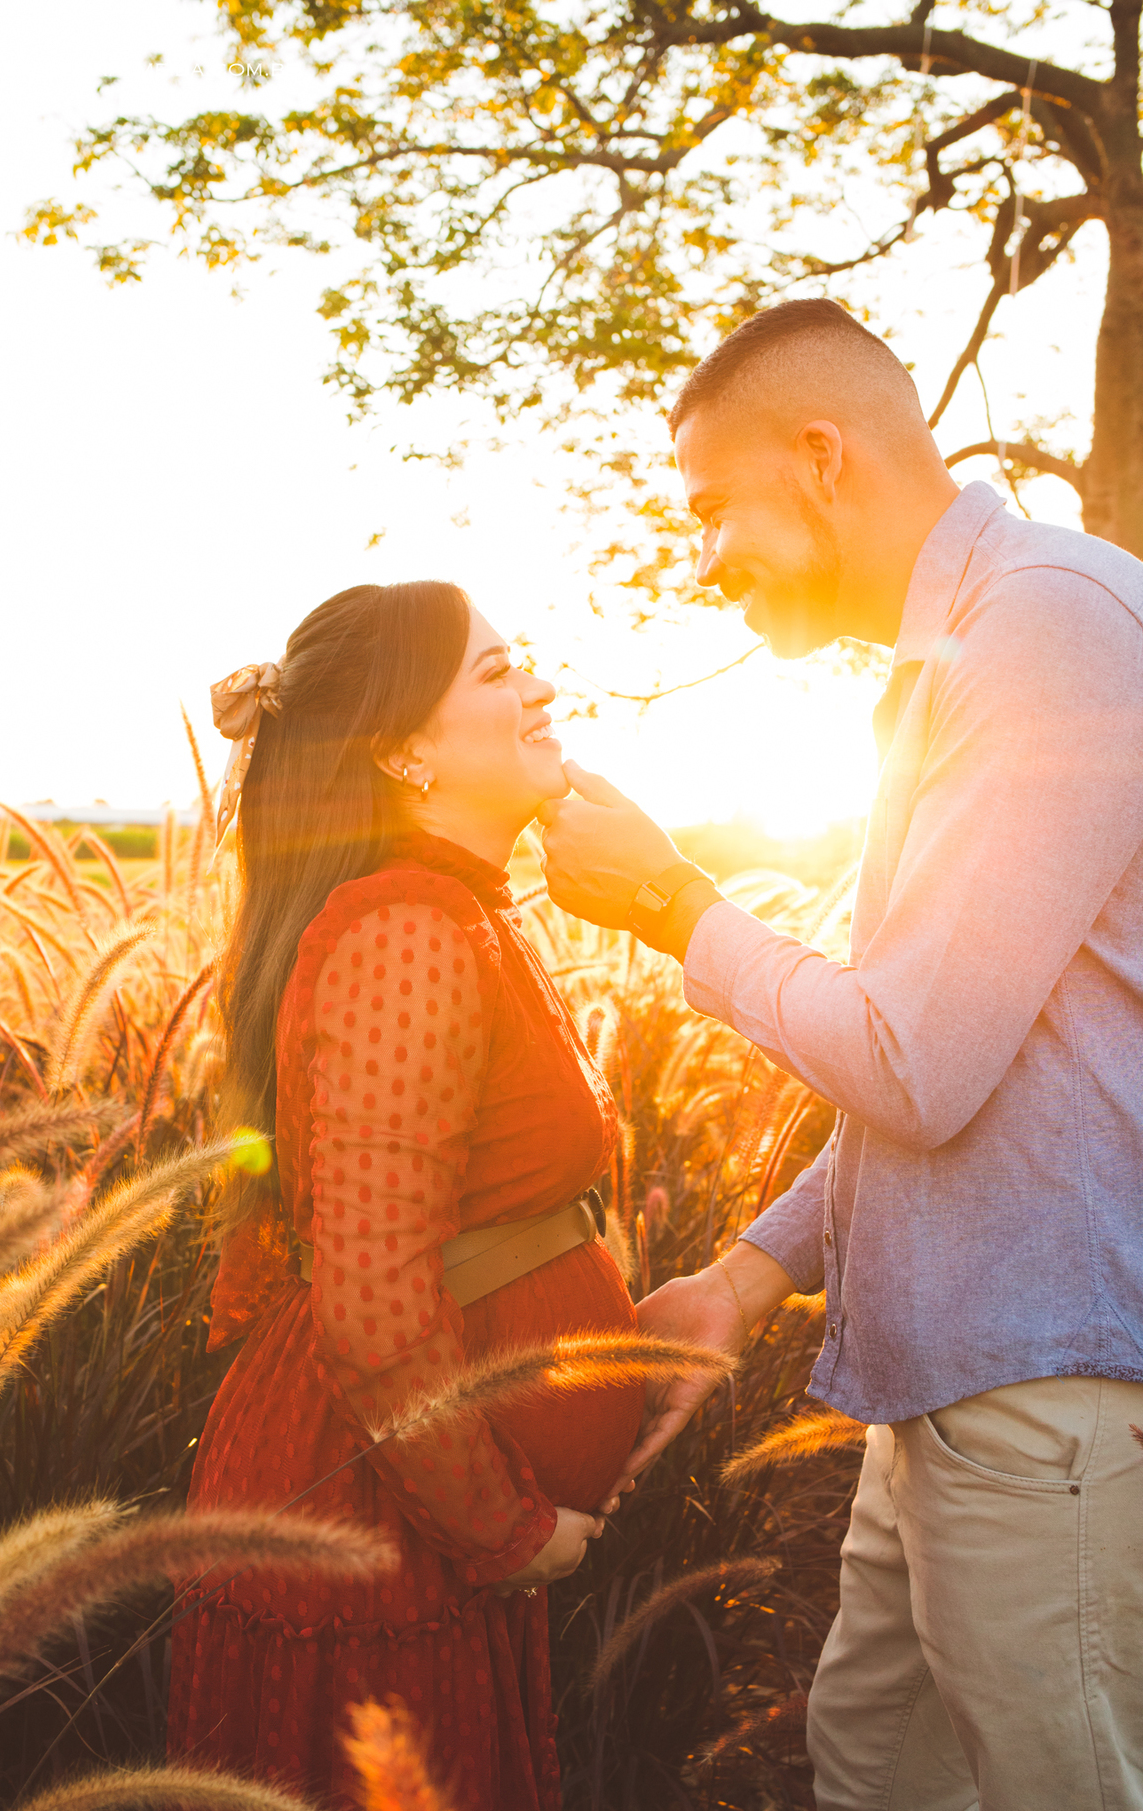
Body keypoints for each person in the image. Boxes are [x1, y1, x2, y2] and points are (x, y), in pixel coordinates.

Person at [540, 299, 1143, 1810]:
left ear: (821, 458)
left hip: (1043, 1381)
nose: (705, 557)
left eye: (712, 507)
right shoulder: (960, 647)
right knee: (875, 1763)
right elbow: (978, 1064)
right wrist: (741, 1280)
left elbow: (914, 1059)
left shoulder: (1050, 625)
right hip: (951, 1367)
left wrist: (677, 907)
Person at [167, 581, 643, 1810]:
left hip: (417, 1494)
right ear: (402, 750)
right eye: (495, 672)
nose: (537, 686)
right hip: (385, 1522)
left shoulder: (458, 910)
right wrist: (507, 1526)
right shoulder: (410, 931)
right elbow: (374, 1303)